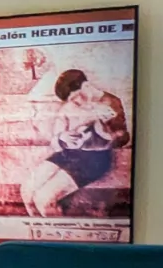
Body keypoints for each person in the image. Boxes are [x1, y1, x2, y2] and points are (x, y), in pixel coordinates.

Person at [19, 68, 130, 217]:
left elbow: (123, 138)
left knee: (44, 199)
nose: (75, 103)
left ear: (86, 86)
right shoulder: (69, 107)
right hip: (68, 154)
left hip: (93, 158)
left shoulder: (110, 103)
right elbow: (55, 140)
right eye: (71, 100)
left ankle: (54, 230)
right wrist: (62, 137)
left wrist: (107, 130)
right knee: (27, 190)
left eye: (76, 98)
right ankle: (39, 228)